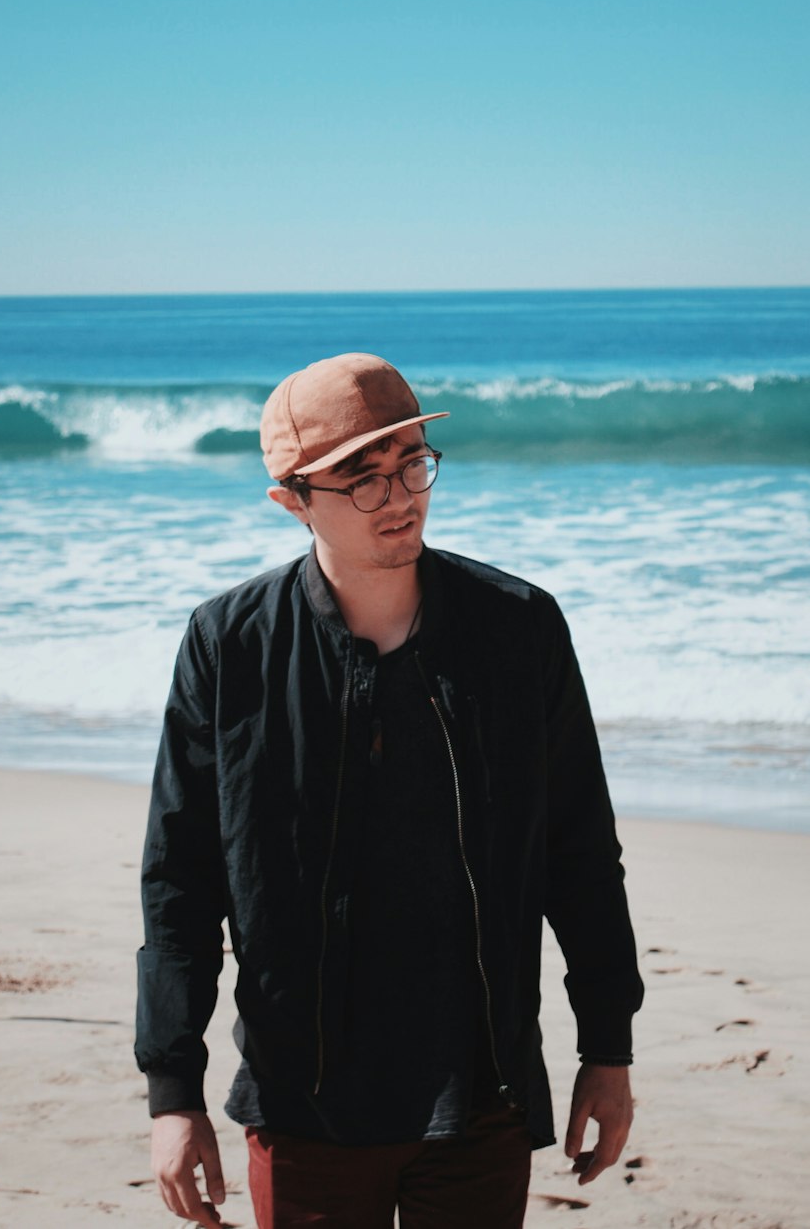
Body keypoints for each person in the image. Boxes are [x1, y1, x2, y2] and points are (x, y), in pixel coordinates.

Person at [135, 352, 643, 1229]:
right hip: (307, 1107)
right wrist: (173, 1093)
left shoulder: (518, 629)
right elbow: (180, 881)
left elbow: (581, 852)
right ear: (293, 500)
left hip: (479, 1092)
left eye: (411, 461)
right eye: (361, 478)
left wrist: (608, 1046)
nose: (401, 494)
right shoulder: (232, 648)